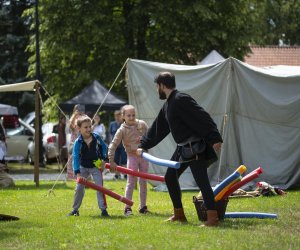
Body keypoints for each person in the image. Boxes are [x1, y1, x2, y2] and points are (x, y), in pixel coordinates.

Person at [136, 72, 223, 226]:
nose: (157, 90)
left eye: (157, 87)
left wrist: (214, 137)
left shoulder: (181, 99)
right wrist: (143, 144)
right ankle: (179, 214)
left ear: (162, 85)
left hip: (195, 147)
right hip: (182, 149)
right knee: (170, 177)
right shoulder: (168, 105)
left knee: (202, 182)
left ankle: (212, 218)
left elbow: (202, 116)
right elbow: (158, 128)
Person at [108, 105, 149, 216]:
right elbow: (113, 145)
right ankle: (127, 207)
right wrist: (111, 160)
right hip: (131, 157)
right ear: (123, 116)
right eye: (128, 115)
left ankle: (143, 207)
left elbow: (150, 138)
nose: (131, 118)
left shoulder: (142, 124)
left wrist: (144, 142)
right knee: (130, 182)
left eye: (133, 115)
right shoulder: (122, 130)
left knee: (143, 181)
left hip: (144, 156)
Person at [68, 115, 109, 217]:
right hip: (82, 167)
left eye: (90, 126)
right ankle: (75, 210)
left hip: (96, 165)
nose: (88, 129)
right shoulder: (78, 142)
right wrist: (77, 173)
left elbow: (104, 147)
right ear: (79, 129)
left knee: (100, 187)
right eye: (85, 127)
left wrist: (104, 159)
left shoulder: (96, 137)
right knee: (79, 188)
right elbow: (76, 157)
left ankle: (103, 210)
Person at [66, 104, 85, 179]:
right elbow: (70, 126)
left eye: (80, 110)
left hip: (83, 143)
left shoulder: (84, 119)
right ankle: (73, 177)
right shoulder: (74, 119)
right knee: (73, 160)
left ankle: (83, 176)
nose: (79, 111)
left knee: (82, 161)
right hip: (74, 143)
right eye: (77, 110)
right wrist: (74, 115)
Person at [108, 110, 127, 179]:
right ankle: (117, 174)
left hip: (123, 145)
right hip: (115, 145)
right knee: (115, 160)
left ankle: (125, 174)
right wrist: (110, 144)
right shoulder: (112, 124)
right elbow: (110, 134)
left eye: (119, 115)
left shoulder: (124, 124)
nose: (117, 117)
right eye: (116, 116)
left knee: (124, 160)